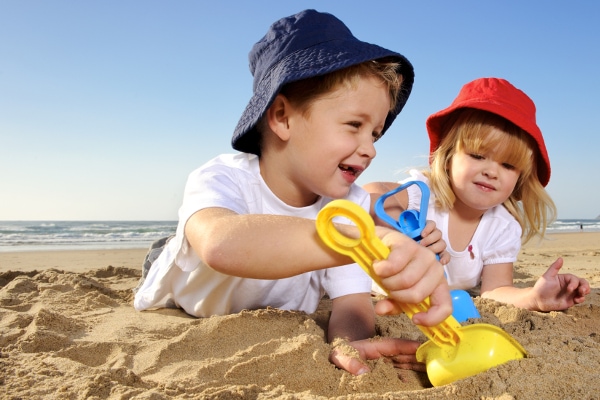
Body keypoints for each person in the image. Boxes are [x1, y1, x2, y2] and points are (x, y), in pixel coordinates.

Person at [133, 9, 452, 376]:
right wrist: (365, 239)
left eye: (375, 133)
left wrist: (350, 341)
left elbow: (351, 303)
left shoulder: (350, 206)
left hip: (263, 294)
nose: (371, 148)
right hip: (194, 286)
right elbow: (222, 244)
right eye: (354, 125)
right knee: (173, 251)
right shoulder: (223, 176)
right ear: (283, 117)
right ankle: (164, 249)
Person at [364, 77, 590, 312]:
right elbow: (370, 193)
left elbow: (495, 291)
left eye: (508, 165)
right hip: (377, 292)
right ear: (449, 157)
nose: (491, 171)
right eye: (478, 156)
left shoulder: (502, 226)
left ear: (520, 177)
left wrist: (534, 297)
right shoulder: (422, 195)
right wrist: (400, 232)